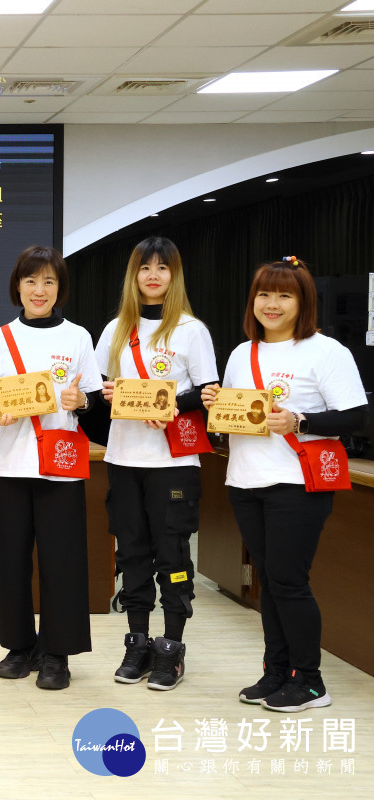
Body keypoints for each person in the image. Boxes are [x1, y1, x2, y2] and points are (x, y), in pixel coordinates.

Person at [203, 258, 367, 713]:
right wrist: (215, 407)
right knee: (269, 581)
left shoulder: (325, 351)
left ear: (303, 301)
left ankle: (310, 680)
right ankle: (277, 671)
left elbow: (355, 415)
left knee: (290, 581)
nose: (271, 304)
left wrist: (301, 419)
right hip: (245, 479)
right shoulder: (242, 353)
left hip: (297, 480)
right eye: (263, 294)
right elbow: (235, 421)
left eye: (284, 295)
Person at [0, 245, 101, 691]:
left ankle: (57, 653)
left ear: (60, 287)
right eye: (30, 281)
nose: (39, 290)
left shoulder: (79, 337)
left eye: (48, 281)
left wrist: (81, 401)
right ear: (17, 287)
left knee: (61, 561)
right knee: (11, 561)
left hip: (60, 465)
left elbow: (97, 404)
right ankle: (19, 645)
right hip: (8, 465)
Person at [95, 236, 217, 691]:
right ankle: (139, 641)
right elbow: (97, 392)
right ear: (133, 275)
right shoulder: (114, 330)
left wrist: (165, 402)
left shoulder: (190, 330)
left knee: (172, 553)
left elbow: (207, 393)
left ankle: (172, 647)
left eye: (162, 268)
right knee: (131, 552)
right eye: (144, 268)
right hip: (124, 457)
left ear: (174, 275)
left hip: (173, 460)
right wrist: (104, 394)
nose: (152, 275)